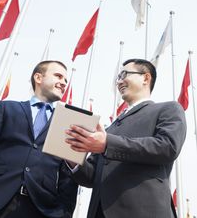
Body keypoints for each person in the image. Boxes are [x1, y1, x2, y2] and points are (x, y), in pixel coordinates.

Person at [65, 58, 187, 218]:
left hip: (143, 211)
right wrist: (72, 158)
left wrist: (107, 144)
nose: (119, 81)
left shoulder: (168, 109)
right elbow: (91, 177)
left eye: (124, 75)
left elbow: (168, 147)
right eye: (118, 78)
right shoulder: (110, 128)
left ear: (146, 78)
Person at [0, 60, 78, 218]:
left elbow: (68, 174)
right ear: (38, 78)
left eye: (66, 80)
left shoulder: (67, 124)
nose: (63, 83)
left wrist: (64, 214)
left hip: (41, 209)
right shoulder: (6, 108)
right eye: (58, 76)